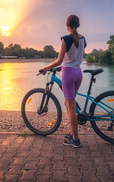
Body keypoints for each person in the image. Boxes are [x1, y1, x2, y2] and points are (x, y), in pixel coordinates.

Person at [39, 14, 86, 148]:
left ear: (67, 26)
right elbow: (74, 56)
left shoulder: (66, 39)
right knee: (69, 104)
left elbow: (60, 61)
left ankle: (75, 140)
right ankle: (72, 133)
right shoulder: (83, 39)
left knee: (71, 107)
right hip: (78, 73)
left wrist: (45, 68)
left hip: (68, 74)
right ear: (78, 25)